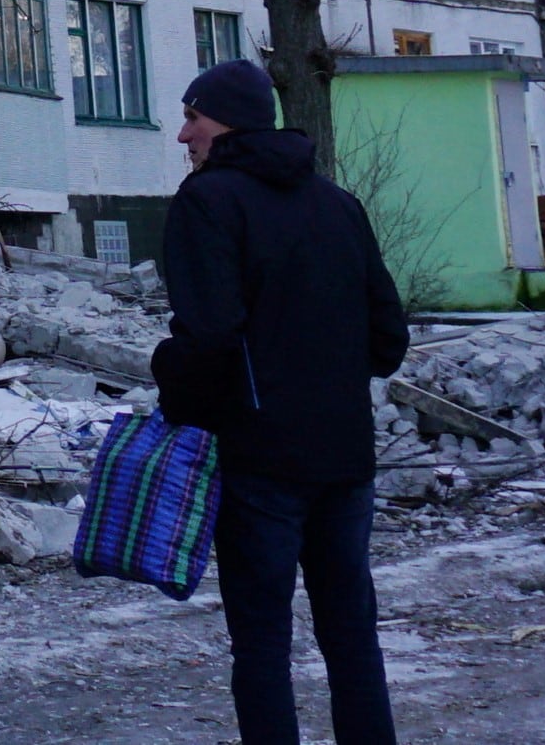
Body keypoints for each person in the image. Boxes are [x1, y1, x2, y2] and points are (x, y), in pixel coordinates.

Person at [156, 57, 409, 745]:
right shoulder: (338, 203)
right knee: (353, 636)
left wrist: (171, 382)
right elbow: (388, 339)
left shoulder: (207, 202)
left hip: (260, 462)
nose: (184, 135)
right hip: (346, 458)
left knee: (263, 644)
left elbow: (206, 336)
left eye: (193, 117)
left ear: (227, 121)